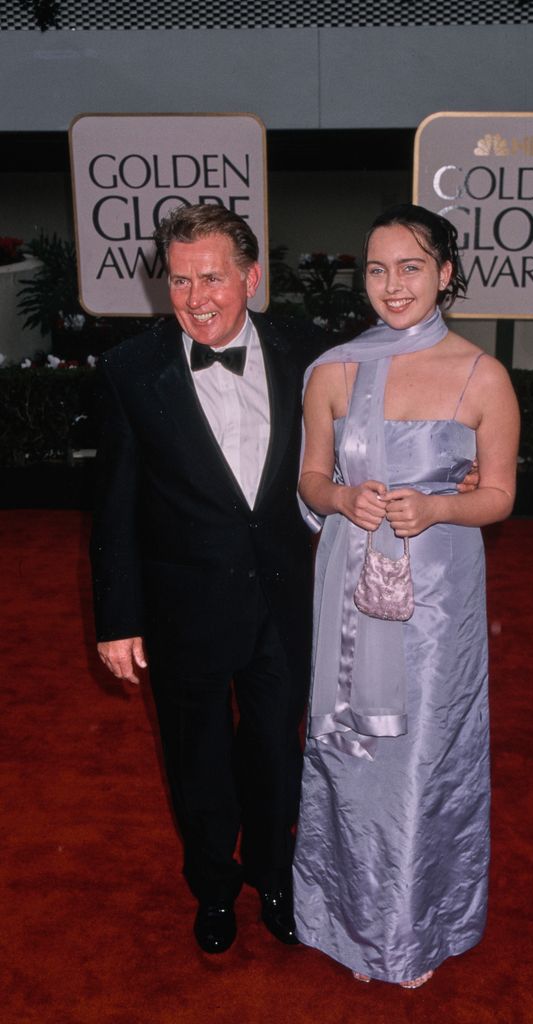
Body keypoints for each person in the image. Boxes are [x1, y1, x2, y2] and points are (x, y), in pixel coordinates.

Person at [293, 204, 520, 987]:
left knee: (425, 753)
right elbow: (310, 477)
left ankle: (415, 926)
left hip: (438, 594)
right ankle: (340, 918)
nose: (392, 285)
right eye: (378, 268)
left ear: (446, 274)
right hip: (352, 583)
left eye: (411, 267)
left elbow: (498, 496)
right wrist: (336, 500)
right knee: (349, 749)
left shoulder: (482, 374)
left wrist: (438, 507)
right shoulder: (333, 369)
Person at [90, 203, 326, 955]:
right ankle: (215, 889)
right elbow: (114, 506)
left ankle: (275, 878)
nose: (195, 298)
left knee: (276, 752)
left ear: (251, 278)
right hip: (182, 608)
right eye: (181, 280)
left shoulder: (309, 355)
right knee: (196, 765)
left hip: (284, 601)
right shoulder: (132, 371)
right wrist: (117, 618)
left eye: (213, 278)